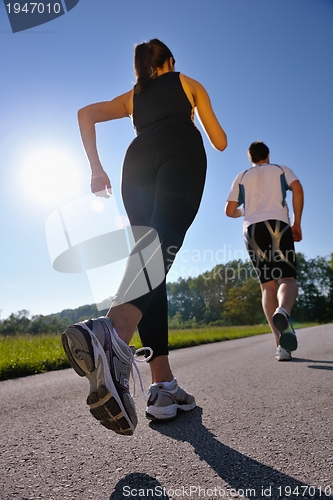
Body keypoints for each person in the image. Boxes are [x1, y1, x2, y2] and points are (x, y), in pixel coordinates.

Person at [61, 39, 227, 435]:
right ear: (169, 61)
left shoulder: (132, 97)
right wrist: (195, 112)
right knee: (164, 241)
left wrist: (96, 169)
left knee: (150, 259)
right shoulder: (187, 82)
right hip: (179, 147)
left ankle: (162, 385)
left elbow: (85, 114)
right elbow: (219, 140)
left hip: (134, 162)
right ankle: (114, 331)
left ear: (139, 68)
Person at [225, 141, 304, 362]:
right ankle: (284, 311)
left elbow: (229, 210)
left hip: (252, 230)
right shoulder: (281, 169)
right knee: (287, 279)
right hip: (278, 225)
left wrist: (245, 211)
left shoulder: (241, 176)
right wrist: (297, 222)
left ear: (250, 158)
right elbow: (297, 188)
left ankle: (281, 346)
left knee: (267, 286)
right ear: (267, 155)